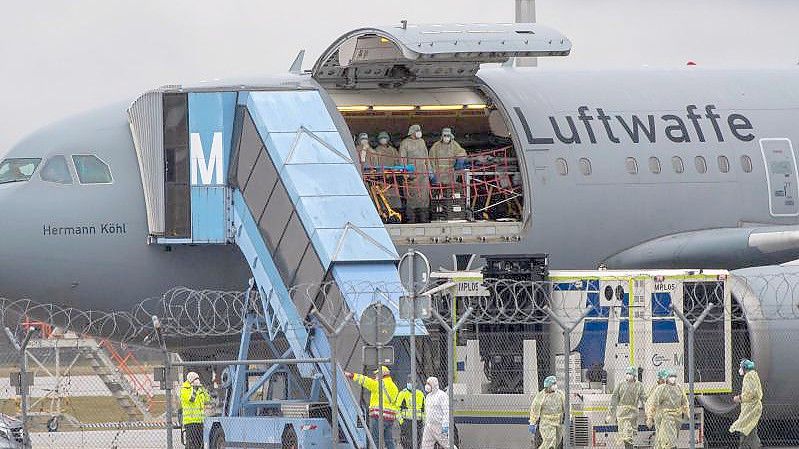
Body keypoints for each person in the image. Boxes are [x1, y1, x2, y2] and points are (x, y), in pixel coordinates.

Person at [346, 366, 399, 449]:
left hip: (379, 416)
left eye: (377, 374)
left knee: (375, 439)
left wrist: (352, 375)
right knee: (389, 440)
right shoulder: (394, 387)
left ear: (382, 374)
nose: (375, 376)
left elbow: (365, 381)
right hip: (390, 418)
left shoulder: (379, 384)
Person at [645, 369, 689, 449]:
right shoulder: (659, 389)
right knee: (667, 439)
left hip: (676, 416)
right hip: (663, 416)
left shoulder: (678, 388)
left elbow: (684, 401)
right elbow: (652, 403)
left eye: (674, 377)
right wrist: (650, 417)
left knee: (666, 438)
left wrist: (686, 413)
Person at [606, 367, 647, 449]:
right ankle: (628, 447)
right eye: (627, 373)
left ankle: (629, 446)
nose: (629, 375)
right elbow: (614, 399)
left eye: (631, 374)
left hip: (633, 413)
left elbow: (644, 399)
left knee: (629, 434)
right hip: (622, 413)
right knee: (626, 433)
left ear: (635, 375)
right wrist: (610, 414)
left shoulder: (639, 385)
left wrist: (648, 413)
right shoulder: (621, 384)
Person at [399, 124, 431, 223]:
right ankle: (411, 219)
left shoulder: (422, 142)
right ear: (412, 132)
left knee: (424, 197)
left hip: (423, 174)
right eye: (417, 130)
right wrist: (405, 172)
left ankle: (424, 219)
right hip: (412, 174)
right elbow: (402, 158)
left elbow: (426, 157)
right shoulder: (405, 143)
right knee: (411, 197)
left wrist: (429, 170)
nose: (419, 132)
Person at [729, 359, 762, 448]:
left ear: (744, 368)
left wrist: (739, 398)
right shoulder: (754, 374)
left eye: (741, 367)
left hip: (750, 408)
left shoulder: (748, 376)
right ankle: (755, 445)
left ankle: (744, 446)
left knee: (744, 428)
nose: (740, 369)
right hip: (754, 407)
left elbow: (750, 393)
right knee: (750, 429)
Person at [529, 375, 565, 449]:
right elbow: (534, 410)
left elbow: (567, 407)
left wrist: (569, 417)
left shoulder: (560, 394)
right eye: (553, 384)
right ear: (547, 386)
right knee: (549, 441)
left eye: (555, 383)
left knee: (557, 442)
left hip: (558, 422)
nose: (555, 385)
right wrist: (532, 422)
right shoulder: (541, 396)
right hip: (547, 423)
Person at [421, 376, 456, 449]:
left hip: (439, 425)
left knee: (448, 445)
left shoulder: (442, 395)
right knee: (426, 445)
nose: (427, 386)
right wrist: (425, 422)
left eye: (429, 384)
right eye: (427, 383)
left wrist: (445, 425)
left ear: (434, 384)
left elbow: (447, 411)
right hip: (429, 425)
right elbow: (427, 411)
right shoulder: (428, 396)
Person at [375, 131, 403, 216]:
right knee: (383, 196)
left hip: (393, 176)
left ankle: (396, 212)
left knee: (394, 196)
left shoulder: (393, 150)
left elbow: (398, 162)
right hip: (382, 177)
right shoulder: (377, 151)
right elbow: (376, 164)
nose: (383, 140)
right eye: (381, 138)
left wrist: (398, 171)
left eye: (385, 138)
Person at [180, 371, 211, 449]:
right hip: (190, 421)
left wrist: (204, 390)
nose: (197, 380)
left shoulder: (199, 389)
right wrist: (195, 389)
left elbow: (207, 399)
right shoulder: (185, 389)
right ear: (191, 380)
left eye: (198, 379)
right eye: (195, 379)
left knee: (200, 443)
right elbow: (191, 399)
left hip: (200, 421)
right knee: (192, 444)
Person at [395, 376, 425, 449]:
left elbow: (424, 409)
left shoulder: (420, 394)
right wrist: (401, 421)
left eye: (413, 382)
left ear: (416, 383)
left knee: (417, 441)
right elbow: (396, 408)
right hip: (406, 421)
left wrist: (423, 421)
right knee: (407, 442)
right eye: (409, 382)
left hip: (418, 422)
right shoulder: (402, 393)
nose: (411, 383)